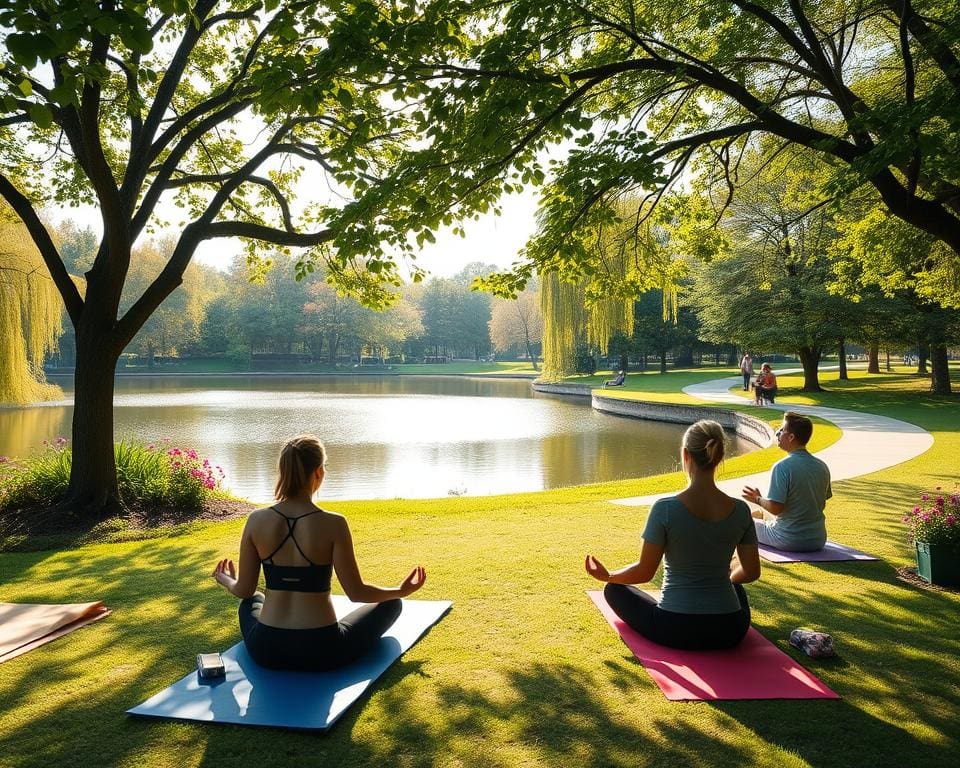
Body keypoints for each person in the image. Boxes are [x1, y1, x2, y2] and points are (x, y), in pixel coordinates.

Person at [211, 435, 427, 671]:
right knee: (392, 603)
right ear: (318, 472)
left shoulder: (256, 520)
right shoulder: (334, 524)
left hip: (267, 649)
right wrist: (401, 590)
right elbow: (357, 592)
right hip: (323, 650)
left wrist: (226, 579)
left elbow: (244, 590)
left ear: (282, 471)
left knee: (251, 601)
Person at [585, 420, 761, 650]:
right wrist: (722, 579)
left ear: (685, 455)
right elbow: (751, 572)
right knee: (735, 587)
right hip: (730, 630)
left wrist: (609, 576)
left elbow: (645, 571)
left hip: (675, 628)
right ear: (720, 456)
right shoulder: (741, 510)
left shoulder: (665, 508)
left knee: (614, 590)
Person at [742, 412, 831, 552]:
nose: (778, 433)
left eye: (782, 430)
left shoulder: (782, 467)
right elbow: (819, 502)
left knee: (740, 522)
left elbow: (776, 509)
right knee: (760, 514)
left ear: (791, 437)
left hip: (787, 538)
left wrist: (757, 499)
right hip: (817, 539)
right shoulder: (822, 466)